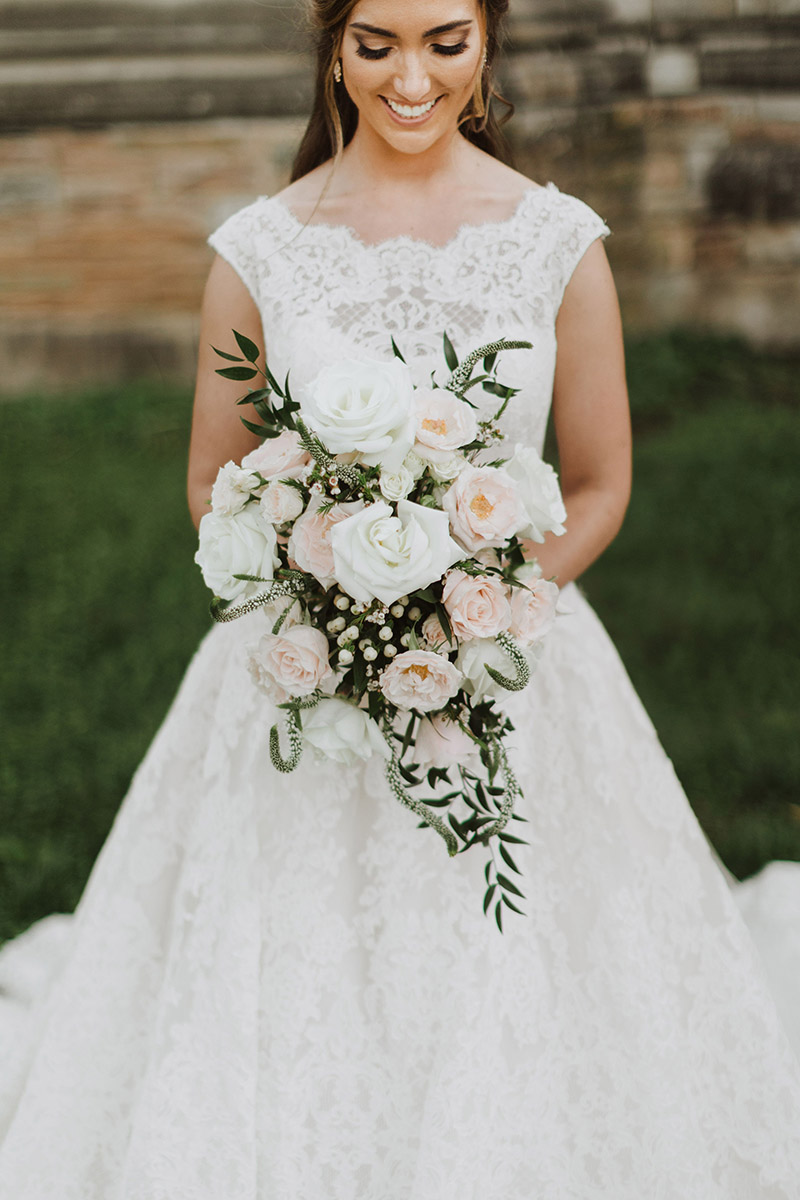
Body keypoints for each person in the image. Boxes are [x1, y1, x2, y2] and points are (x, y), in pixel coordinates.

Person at [1, 1, 799, 1195]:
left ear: (487, 42)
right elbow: (213, 482)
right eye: (375, 43)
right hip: (301, 674)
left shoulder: (555, 241)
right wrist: (322, 601)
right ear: (331, 46)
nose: (410, 77)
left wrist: (475, 602)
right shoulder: (261, 248)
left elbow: (596, 481)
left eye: (444, 40)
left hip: (505, 669)